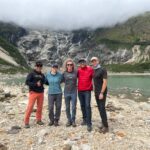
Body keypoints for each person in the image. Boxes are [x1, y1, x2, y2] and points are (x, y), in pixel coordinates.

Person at [24, 61, 45, 128]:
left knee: (40, 107)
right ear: (35, 66)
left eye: (40, 66)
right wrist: (35, 84)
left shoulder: (42, 75)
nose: (39, 67)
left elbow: (45, 82)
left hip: (41, 93)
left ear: (41, 67)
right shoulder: (31, 74)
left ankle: (38, 120)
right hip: (33, 92)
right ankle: (26, 122)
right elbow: (27, 82)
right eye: (38, 66)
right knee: (30, 107)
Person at [91, 57, 109, 134]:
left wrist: (101, 92)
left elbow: (105, 82)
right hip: (96, 92)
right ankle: (103, 122)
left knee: (102, 108)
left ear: (98, 61)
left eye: (95, 61)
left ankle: (106, 126)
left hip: (102, 92)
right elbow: (94, 81)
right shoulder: (94, 70)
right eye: (92, 61)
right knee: (99, 108)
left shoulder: (102, 69)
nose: (94, 62)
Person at [77, 58, 94, 132]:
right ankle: (84, 119)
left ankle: (89, 123)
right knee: (82, 105)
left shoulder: (90, 69)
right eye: (80, 62)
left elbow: (95, 77)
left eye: (83, 62)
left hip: (87, 90)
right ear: (79, 64)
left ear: (85, 62)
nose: (82, 63)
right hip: (80, 90)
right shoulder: (78, 71)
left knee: (87, 105)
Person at [62, 58, 77, 127]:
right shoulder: (64, 73)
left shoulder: (76, 72)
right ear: (66, 65)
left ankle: (73, 120)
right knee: (67, 107)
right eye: (68, 64)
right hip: (66, 92)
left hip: (74, 92)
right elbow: (59, 80)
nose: (69, 66)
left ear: (73, 65)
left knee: (73, 107)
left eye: (71, 64)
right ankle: (69, 120)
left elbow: (83, 76)